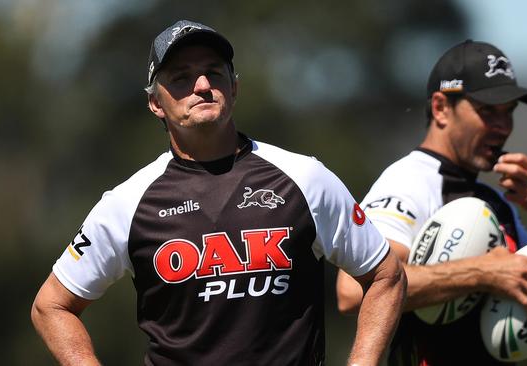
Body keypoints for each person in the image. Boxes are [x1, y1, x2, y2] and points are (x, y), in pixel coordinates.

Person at [31, 20, 406, 366]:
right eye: (181, 77)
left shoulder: (306, 178)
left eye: (213, 72)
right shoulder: (126, 203)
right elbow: (51, 307)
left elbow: (385, 277)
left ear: (234, 86)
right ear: (155, 103)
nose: (201, 86)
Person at [336, 40, 527, 365]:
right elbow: (353, 292)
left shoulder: (496, 201)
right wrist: (481, 272)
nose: (503, 126)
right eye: (488, 111)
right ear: (441, 108)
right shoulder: (409, 182)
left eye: (509, 112)